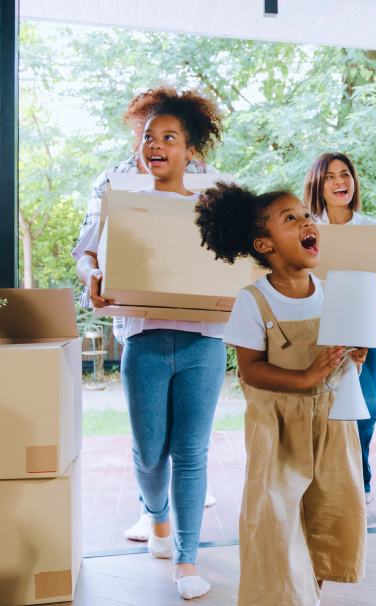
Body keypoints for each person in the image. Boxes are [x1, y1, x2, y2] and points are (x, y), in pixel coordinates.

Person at [74, 86, 226, 601]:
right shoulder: (118, 190)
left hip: (204, 340)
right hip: (141, 335)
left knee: (191, 452)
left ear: (191, 148)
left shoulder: (214, 198)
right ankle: (156, 518)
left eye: (169, 137)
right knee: (148, 452)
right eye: (148, 136)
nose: (156, 144)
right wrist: (92, 274)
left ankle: (187, 559)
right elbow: (87, 253)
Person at [195, 182, 368, 606]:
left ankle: (312, 596)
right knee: (277, 522)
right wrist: (306, 376)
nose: (307, 221)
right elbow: (251, 371)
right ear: (264, 244)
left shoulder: (332, 293)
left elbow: (343, 365)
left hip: (330, 426)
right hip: (277, 430)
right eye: (290, 218)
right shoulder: (253, 301)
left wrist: (354, 357)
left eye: (307, 215)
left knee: (327, 517)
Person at [304, 152, 376, 505]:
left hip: (363, 333)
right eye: (330, 176)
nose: (339, 182)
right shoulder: (307, 227)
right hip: (318, 331)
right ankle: (323, 481)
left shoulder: (371, 229)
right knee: (322, 408)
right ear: (318, 183)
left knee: (366, 411)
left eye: (345, 174)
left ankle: (362, 480)